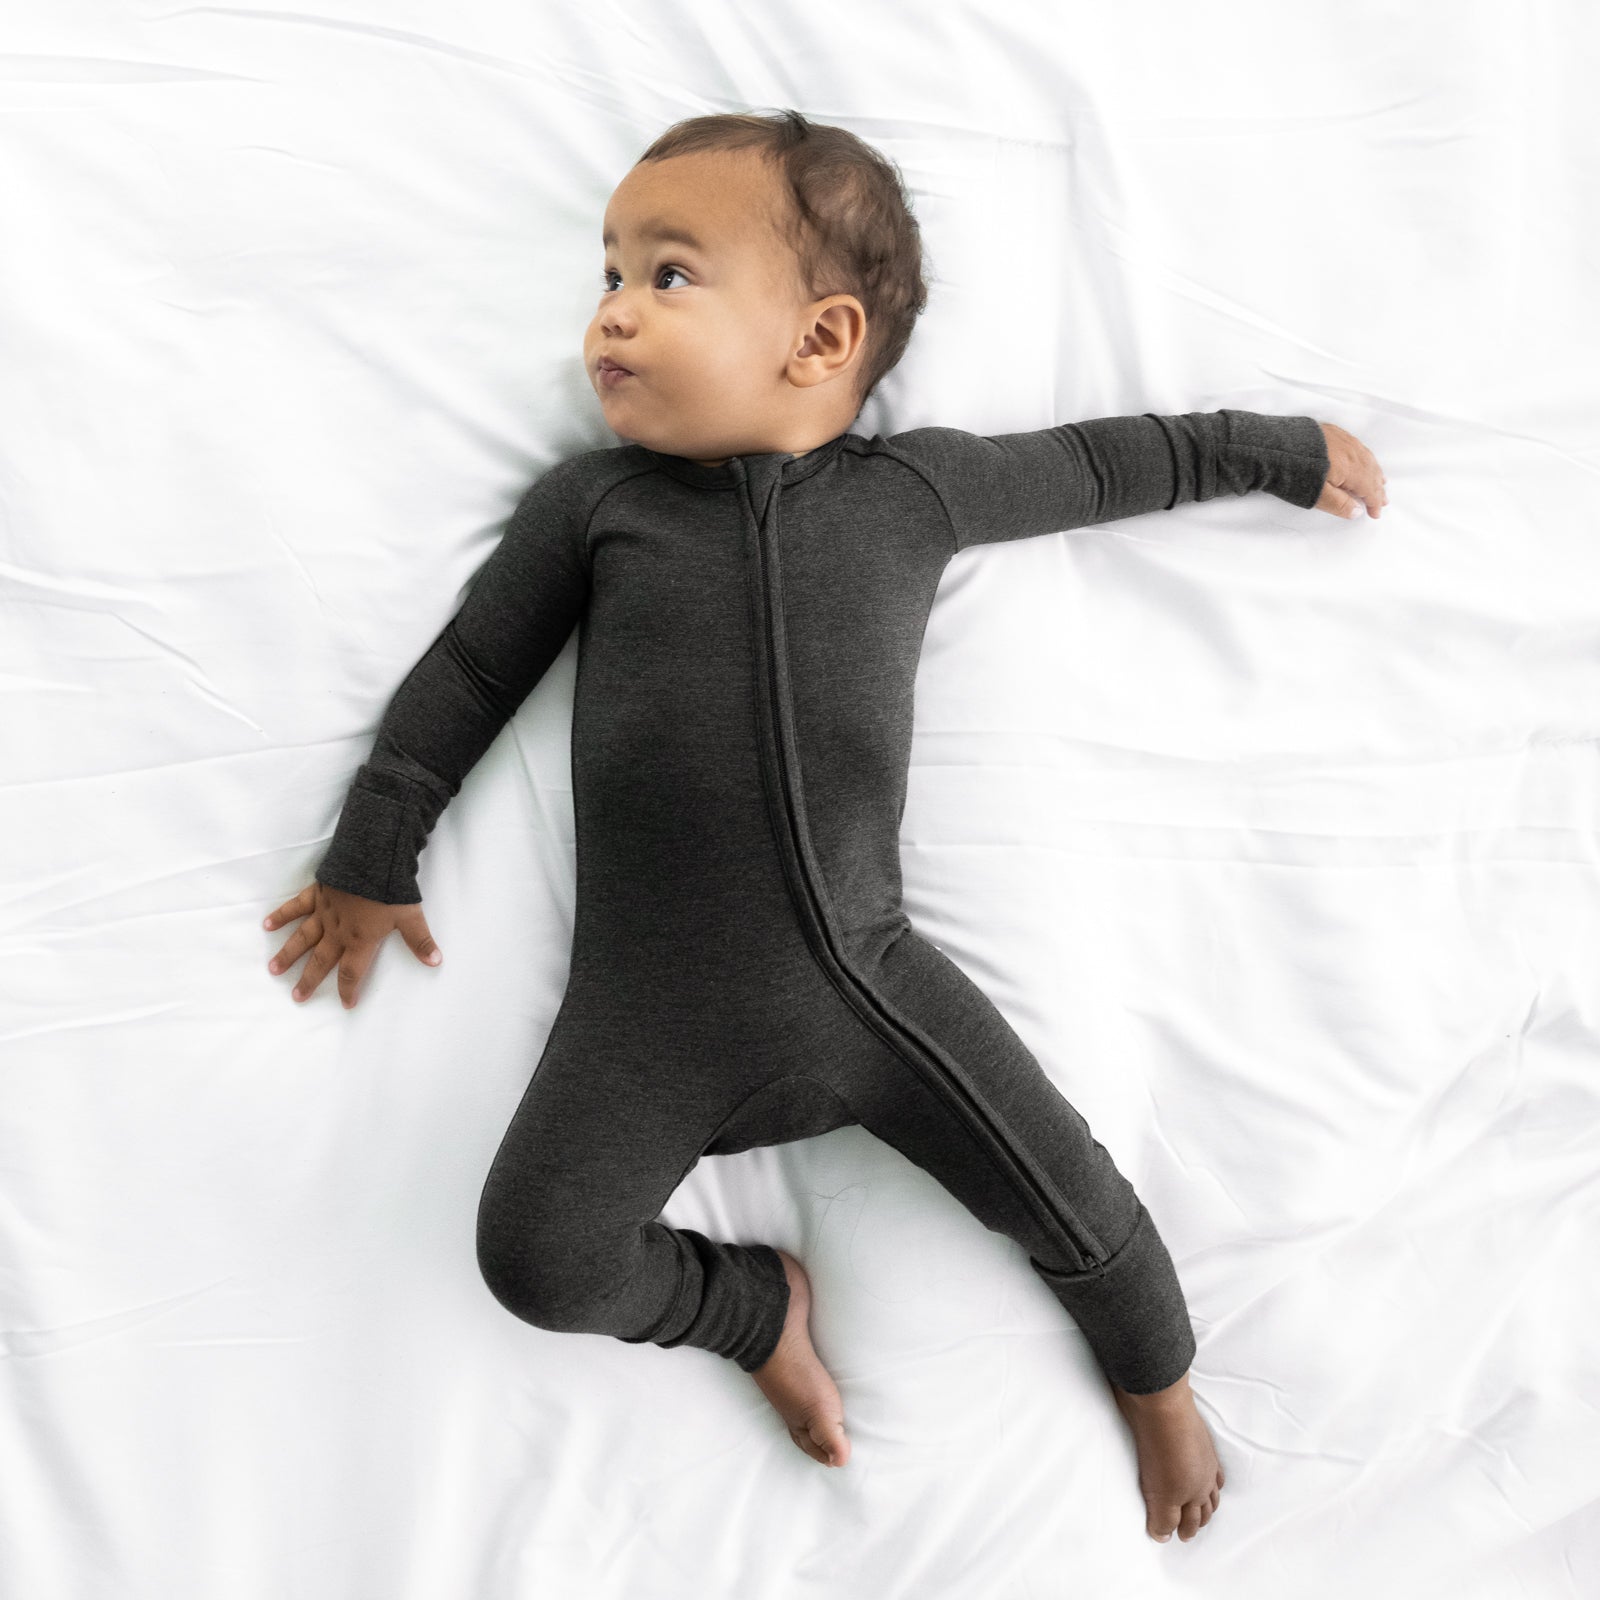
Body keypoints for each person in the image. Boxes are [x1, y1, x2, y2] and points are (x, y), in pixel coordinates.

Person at [262, 109, 1387, 1545]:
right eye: (606, 276)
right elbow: (470, 675)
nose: (610, 312)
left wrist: (1271, 448)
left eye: (667, 276)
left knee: (1073, 1196)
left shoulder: (916, 490)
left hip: (875, 990)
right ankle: (748, 1312)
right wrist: (375, 852)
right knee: (536, 1260)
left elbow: (1107, 464)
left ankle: (1161, 1388)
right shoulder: (594, 509)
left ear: (821, 338)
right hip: (642, 1018)